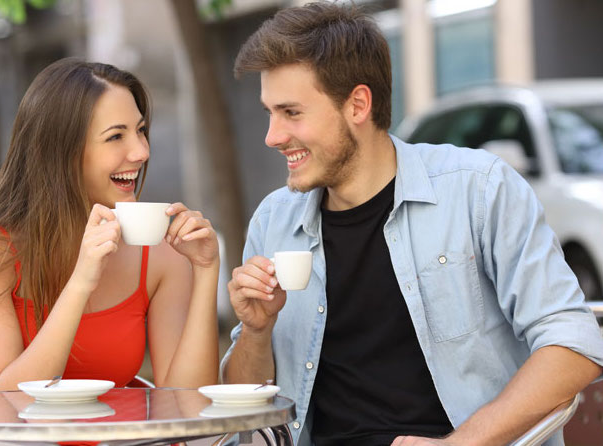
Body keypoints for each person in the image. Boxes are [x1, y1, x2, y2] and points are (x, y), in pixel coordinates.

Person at [222, 3, 603, 446]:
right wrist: (256, 330)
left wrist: (459, 444)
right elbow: (243, 416)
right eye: (270, 113)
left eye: (291, 113)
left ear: (358, 105)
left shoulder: (479, 190)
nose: (272, 135)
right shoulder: (274, 220)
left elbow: (573, 345)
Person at [0, 58, 220, 395]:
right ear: (60, 152)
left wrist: (205, 270)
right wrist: (81, 282)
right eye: (116, 136)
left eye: (141, 131)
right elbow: (4, 404)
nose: (141, 151)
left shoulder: (159, 259)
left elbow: (187, 405)